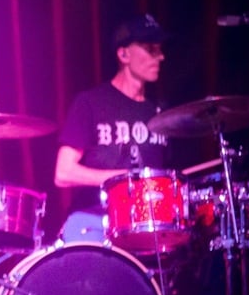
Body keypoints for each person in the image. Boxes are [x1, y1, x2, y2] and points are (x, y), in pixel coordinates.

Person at [53, 13, 171, 245]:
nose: (160, 57)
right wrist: (121, 179)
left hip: (146, 224)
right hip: (95, 219)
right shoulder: (90, 103)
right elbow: (63, 173)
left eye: (160, 49)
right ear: (123, 54)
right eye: (150, 49)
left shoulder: (163, 112)